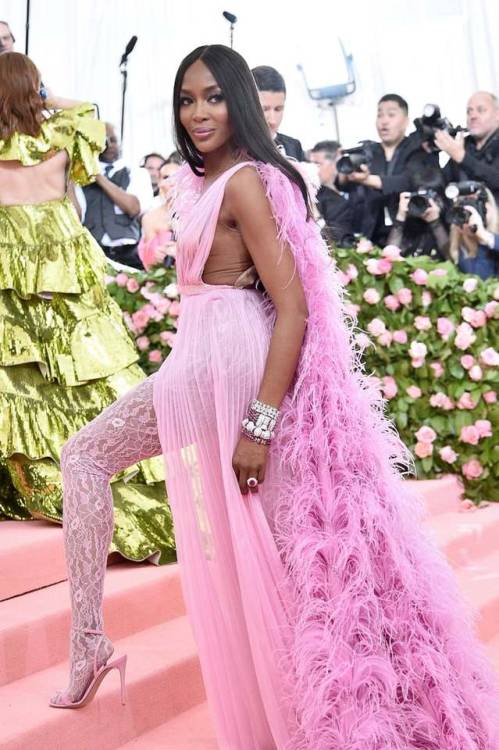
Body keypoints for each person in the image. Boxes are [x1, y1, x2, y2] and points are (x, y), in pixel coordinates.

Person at [49, 44, 499, 750]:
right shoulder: (212, 180)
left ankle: (97, 647)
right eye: (186, 100)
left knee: (287, 563)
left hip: (228, 368)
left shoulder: (248, 183)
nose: (197, 112)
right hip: (202, 358)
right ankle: (93, 644)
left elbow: (292, 306)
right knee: (274, 557)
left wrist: (259, 424)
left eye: (212, 97)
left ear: (238, 101)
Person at [0, 52, 174, 564]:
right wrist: (46, 96)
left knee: (20, 376)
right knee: (84, 372)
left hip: (9, 263)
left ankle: (42, 475)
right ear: (36, 91)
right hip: (62, 257)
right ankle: (99, 463)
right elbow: (92, 111)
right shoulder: (59, 139)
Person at [340, 94, 438, 247]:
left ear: (405, 121)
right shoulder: (369, 151)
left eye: (391, 115)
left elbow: (408, 181)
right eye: (380, 115)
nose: (384, 121)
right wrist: (346, 174)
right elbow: (342, 185)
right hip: (371, 238)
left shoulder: (418, 149)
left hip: (412, 236)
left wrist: (367, 179)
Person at [78, 123, 153, 269]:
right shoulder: (81, 175)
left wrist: (99, 177)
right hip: (92, 252)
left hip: (127, 252)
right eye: (104, 140)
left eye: (114, 140)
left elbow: (133, 208)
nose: (110, 145)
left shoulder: (135, 172)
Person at [438, 91, 499, 204]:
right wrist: (432, 152)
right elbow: (441, 184)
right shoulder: (465, 144)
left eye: (481, 110)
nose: (473, 116)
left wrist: (462, 157)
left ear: (497, 115)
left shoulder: (460, 151)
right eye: (469, 111)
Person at [386, 167, 449, 258]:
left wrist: (436, 223)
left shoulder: (450, 220)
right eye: (419, 198)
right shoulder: (408, 222)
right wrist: (400, 219)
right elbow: (389, 258)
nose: (425, 203)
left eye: (429, 197)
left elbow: (452, 259)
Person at [252, 64, 305, 160]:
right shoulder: (232, 150)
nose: (273, 121)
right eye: (264, 109)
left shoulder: (293, 146)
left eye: (278, 109)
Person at [309, 140, 355, 246]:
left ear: (336, 163)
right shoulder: (312, 195)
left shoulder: (356, 190)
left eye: (317, 164)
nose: (312, 169)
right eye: (310, 164)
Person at [139, 159, 181, 269]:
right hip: (161, 277)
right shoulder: (149, 218)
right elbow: (148, 261)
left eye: (177, 177)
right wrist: (157, 255)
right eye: (166, 177)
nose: (172, 183)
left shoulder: (198, 214)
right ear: (159, 182)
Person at [446, 191, 499, 278]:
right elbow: (484, 279)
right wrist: (479, 238)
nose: (474, 215)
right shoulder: (461, 248)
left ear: (490, 206)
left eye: (476, 204)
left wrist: (487, 237)